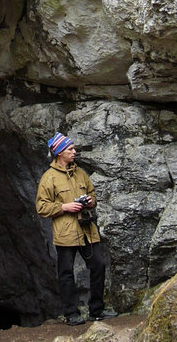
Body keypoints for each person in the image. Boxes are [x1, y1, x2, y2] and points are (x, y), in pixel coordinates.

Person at [36, 132, 118, 326]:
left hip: (87, 229)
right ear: (59, 153)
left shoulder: (80, 173)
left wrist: (90, 202)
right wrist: (64, 207)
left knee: (98, 265)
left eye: (73, 148)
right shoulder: (49, 178)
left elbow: (92, 195)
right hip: (66, 233)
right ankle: (71, 313)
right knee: (66, 272)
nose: (74, 152)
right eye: (70, 149)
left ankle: (96, 310)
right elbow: (41, 207)